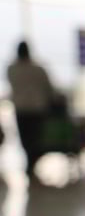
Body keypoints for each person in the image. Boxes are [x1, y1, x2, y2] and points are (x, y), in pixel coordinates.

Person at [7, 41, 54, 177]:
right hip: (37, 109)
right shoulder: (38, 69)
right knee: (36, 137)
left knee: (26, 138)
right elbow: (48, 87)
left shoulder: (12, 69)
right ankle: (32, 161)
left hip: (21, 109)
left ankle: (31, 162)